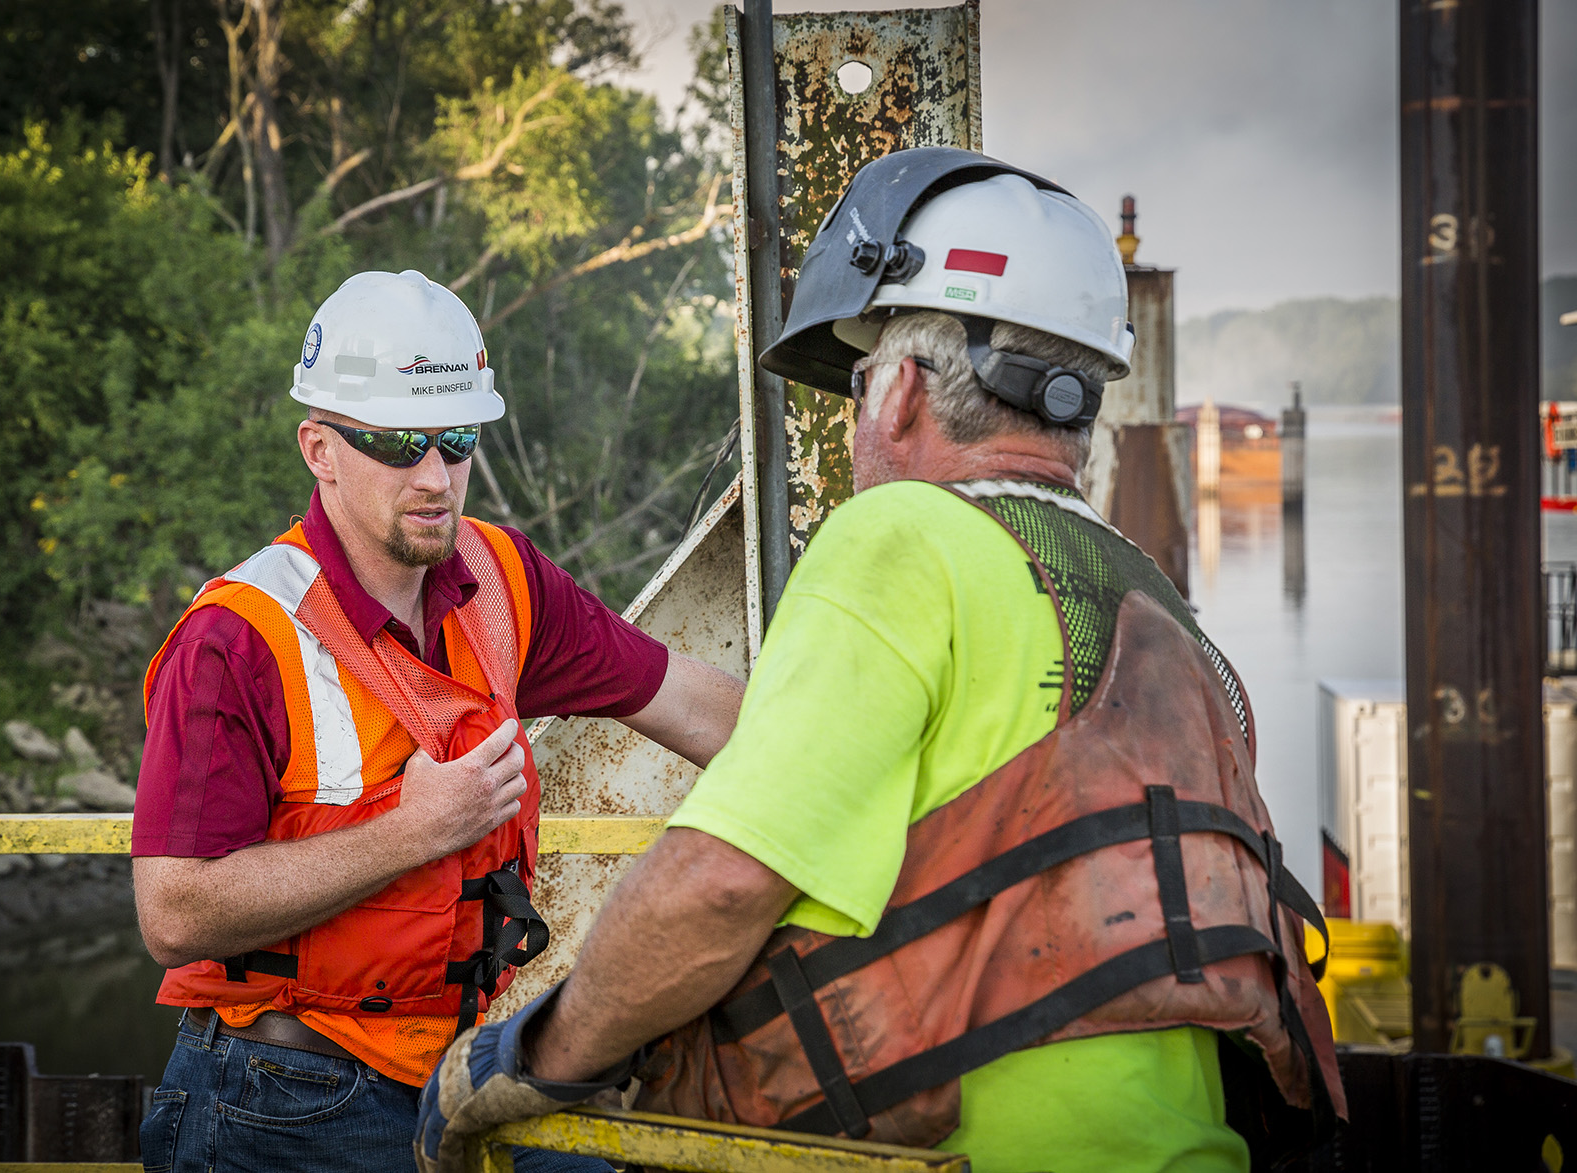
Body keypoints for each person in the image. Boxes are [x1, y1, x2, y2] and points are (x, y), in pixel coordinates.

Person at [415, 150, 1345, 1173]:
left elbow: (721, 884)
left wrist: (531, 1057)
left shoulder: (903, 536)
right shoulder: (1149, 591)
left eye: (857, 383)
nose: (857, 418)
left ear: (900, 391)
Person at [130, 269, 745, 1173]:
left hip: (452, 1068)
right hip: (273, 1095)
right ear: (319, 448)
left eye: (456, 439)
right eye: (396, 441)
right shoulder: (238, 638)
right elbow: (174, 913)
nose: (434, 476)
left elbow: (689, 701)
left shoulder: (501, 578)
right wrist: (416, 830)